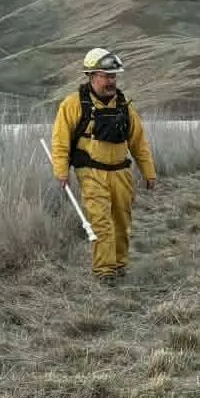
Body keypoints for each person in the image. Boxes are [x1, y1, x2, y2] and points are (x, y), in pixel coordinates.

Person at [49, 48, 157, 284]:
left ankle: (119, 266)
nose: (111, 81)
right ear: (91, 75)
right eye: (106, 76)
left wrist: (149, 172)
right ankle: (105, 272)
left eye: (114, 76)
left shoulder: (124, 106)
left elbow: (139, 142)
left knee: (122, 220)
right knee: (101, 222)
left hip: (121, 173)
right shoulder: (73, 105)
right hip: (91, 173)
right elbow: (60, 141)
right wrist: (61, 171)